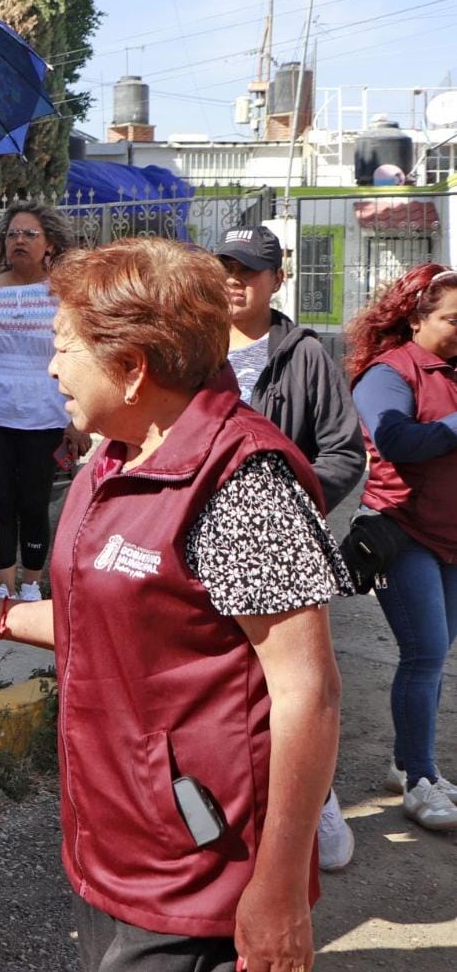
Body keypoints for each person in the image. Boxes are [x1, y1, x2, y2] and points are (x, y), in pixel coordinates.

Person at [0, 238, 348, 972]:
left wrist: (279, 885)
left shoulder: (239, 482)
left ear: (131, 367)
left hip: (200, 872)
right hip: (116, 842)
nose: (51, 365)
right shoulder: (116, 453)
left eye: (65, 347)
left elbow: (306, 693)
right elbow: (114, 620)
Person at [214, 223, 365, 872]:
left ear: (277, 280)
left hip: (281, 550)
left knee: (296, 684)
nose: (232, 280)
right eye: (224, 266)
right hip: (203, 550)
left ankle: (317, 796)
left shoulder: (304, 353)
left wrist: (288, 510)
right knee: (223, 684)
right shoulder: (192, 350)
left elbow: (342, 451)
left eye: (247, 270)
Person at [344, 263, 457, 832]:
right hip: (401, 533)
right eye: (453, 319)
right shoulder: (389, 373)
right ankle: (418, 782)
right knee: (426, 654)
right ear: (416, 318)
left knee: (433, 661)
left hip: (450, 540)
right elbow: (397, 440)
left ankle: (408, 762)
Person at [0, 202, 88, 599]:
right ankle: (2, 583)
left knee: (35, 502)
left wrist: (80, 421)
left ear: (50, 243)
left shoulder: (66, 295)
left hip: (47, 418)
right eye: (12, 234)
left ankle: (32, 583)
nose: (19, 240)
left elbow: (83, 355)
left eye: (30, 234)